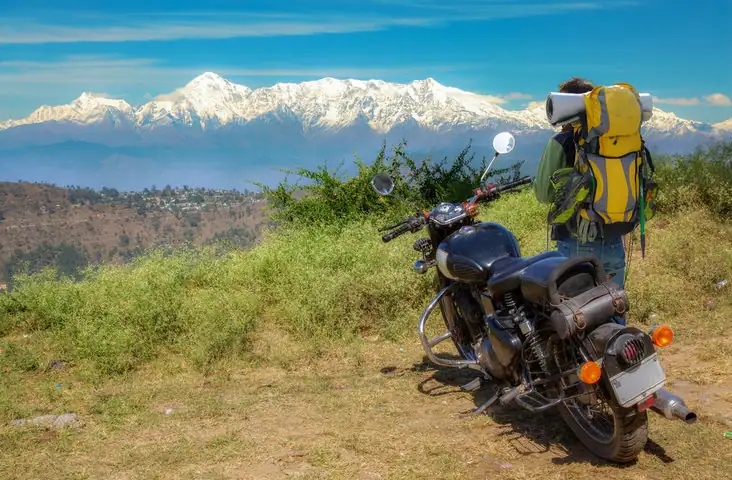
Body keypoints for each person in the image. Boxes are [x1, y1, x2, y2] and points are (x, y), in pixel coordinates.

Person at [534, 77, 628, 323]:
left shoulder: (562, 142)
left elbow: (543, 194)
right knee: (615, 306)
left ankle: (585, 361)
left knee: (579, 316)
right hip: (614, 236)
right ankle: (624, 354)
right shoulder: (619, 140)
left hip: (576, 240)